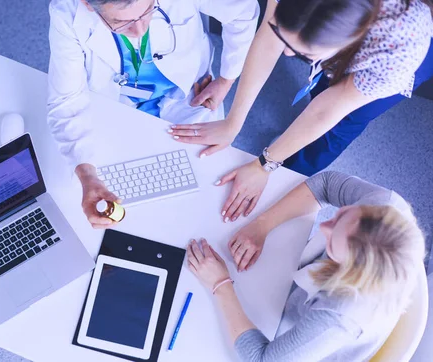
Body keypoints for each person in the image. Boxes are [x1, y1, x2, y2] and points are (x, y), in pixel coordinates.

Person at [170, 0, 433, 223]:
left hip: (397, 46)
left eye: (302, 53)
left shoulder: (401, 47)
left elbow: (329, 110)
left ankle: (288, 177)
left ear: (347, 42)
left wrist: (265, 165)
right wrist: (233, 122)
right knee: (318, 91)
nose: (286, 52)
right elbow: (270, 38)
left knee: (339, 127)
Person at [47, 0, 259, 228]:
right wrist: (86, 175)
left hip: (189, 96)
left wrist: (227, 78)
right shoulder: (67, 13)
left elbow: (244, 12)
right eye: (121, 23)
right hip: (115, 104)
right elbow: (66, 100)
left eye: (148, 10)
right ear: (87, 4)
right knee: (101, 199)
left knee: (201, 195)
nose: (141, 30)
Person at [186, 171, 426, 361]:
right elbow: (326, 184)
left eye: (333, 241)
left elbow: (262, 359)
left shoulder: (340, 315)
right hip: (296, 296)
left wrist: (220, 284)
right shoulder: (386, 205)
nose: (323, 227)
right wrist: (262, 225)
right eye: (340, 215)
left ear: (351, 270)